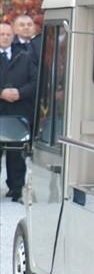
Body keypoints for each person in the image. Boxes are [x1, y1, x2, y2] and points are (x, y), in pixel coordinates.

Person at [1, 24, 36, 201]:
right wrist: (1, 93)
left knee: (16, 153)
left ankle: (16, 188)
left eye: (8, 34)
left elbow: (35, 81)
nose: (5, 37)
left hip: (17, 111)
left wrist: (20, 93)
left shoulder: (24, 57)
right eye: (1, 34)